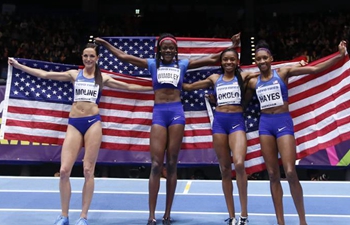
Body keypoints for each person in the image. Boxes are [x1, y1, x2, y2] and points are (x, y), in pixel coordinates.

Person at [94, 33, 235, 225]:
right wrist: (105, 44)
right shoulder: (152, 64)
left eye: (171, 47)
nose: (168, 50)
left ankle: (167, 214)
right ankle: (151, 215)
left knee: (172, 164)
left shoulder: (182, 64)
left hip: (176, 113)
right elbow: (125, 58)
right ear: (160, 49)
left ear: (175, 50)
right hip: (159, 113)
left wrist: (232, 45)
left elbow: (212, 59)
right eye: (165, 47)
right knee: (155, 165)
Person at [8, 42, 153, 225]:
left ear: (97, 58)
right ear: (82, 57)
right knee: (63, 171)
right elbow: (44, 74)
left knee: (88, 170)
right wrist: (19, 66)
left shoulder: (103, 78)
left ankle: (83, 216)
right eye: (85, 56)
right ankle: (64, 215)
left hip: (93, 124)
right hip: (74, 124)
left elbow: (130, 87)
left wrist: (156, 87)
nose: (88, 59)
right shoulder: (74, 75)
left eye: (92, 56)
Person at [243, 39, 347, 225]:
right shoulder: (252, 82)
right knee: (273, 174)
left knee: (290, 172)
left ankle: (302, 221)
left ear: (271, 58)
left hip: (283, 123)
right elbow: (241, 102)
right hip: (265, 125)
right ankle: (280, 222)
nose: (262, 61)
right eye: (258, 59)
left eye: (265, 57)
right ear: (256, 61)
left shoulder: (283, 72)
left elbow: (315, 70)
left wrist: (339, 55)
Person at [182, 48, 249, 225]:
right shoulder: (214, 79)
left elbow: (269, 72)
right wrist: (167, 80)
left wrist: (297, 64)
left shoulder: (244, 77)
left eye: (232, 60)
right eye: (225, 60)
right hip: (219, 123)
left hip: (236, 122)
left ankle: (244, 213)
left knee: (240, 164)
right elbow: (188, 87)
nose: (228, 62)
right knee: (225, 170)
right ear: (221, 62)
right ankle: (232, 215)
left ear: (237, 62)